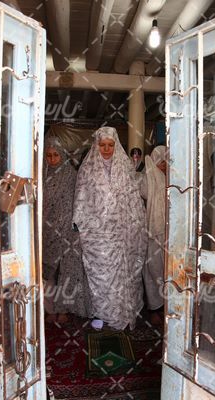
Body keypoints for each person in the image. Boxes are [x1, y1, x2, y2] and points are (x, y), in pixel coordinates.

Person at [73, 127, 147, 330]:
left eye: (110, 145)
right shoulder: (87, 170)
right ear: (96, 146)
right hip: (97, 235)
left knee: (123, 274)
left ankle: (124, 312)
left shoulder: (125, 168)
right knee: (101, 275)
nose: (106, 149)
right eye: (102, 145)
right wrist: (81, 223)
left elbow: (134, 200)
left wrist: (135, 224)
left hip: (122, 233)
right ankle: (103, 313)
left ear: (116, 146)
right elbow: (81, 199)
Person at [43, 137, 92, 323]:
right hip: (47, 230)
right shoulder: (42, 176)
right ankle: (50, 309)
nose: (52, 159)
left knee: (67, 271)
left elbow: (79, 203)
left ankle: (64, 308)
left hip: (68, 231)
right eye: (49, 155)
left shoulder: (71, 175)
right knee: (48, 271)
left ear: (62, 155)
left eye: (56, 155)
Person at [139, 145, 167, 325]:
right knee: (152, 269)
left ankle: (167, 307)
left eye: (167, 162)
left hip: (169, 232)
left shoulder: (173, 177)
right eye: (161, 162)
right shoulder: (146, 177)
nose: (164, 165)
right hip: (151, 231)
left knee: (167, 270)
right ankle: (154, 308)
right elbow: (143, 194)